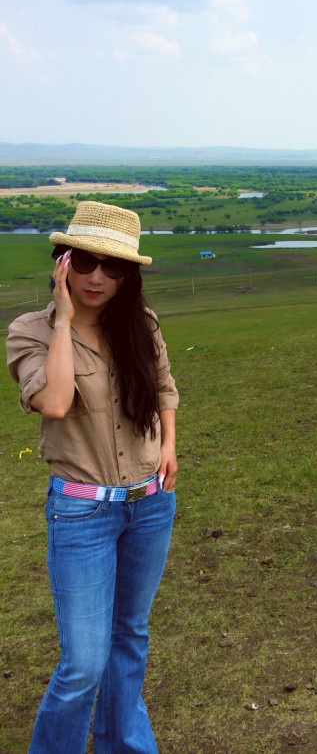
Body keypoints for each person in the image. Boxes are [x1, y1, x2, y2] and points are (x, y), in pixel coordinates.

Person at [6, 200, 179, 754]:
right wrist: (62, 319)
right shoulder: (29, 331)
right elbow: (55, 402)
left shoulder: (140, 324)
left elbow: (164, 388)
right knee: (83, 661)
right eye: (84, 262)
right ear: (62, 262)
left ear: (129, 274)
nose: (98, 277)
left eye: (114, 267)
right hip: (83, 511)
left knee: (130, 637)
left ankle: (124, 746)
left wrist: (169, 446)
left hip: (150, 502)